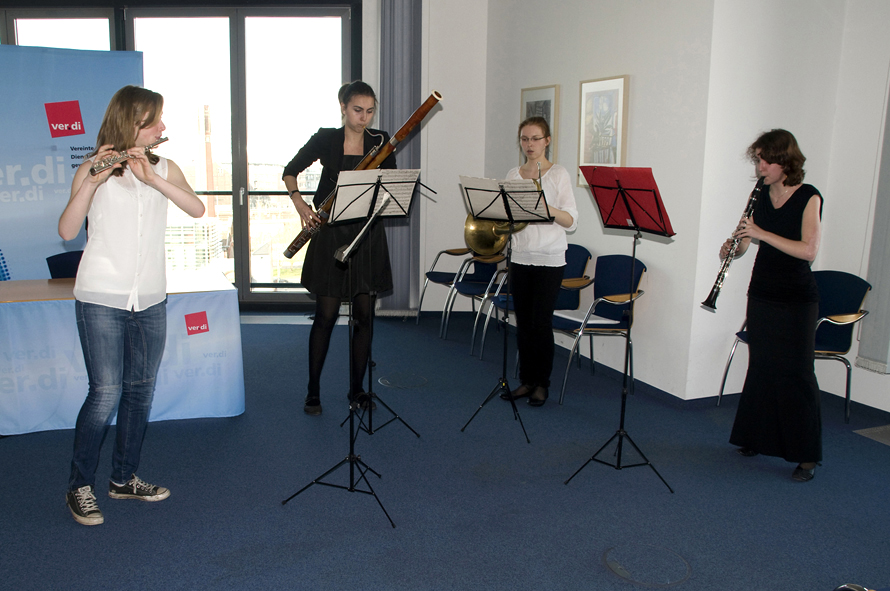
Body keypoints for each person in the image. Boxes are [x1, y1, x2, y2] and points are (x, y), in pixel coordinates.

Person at [59, 85, 205, 525]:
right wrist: (94, 180)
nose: (163, 128)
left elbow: (197, 209)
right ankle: (79, 486)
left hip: (150, 297)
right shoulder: (92, 166)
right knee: (105, 393)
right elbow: (68, 230)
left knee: (141, 391)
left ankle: (123, 479)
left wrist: (152, 178)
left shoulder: (166, 167)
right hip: (101, 295)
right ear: (134, 123)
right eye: (156, 121)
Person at [282, 81, 395, 416]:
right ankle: (313, 391)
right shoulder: (326, 138)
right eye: (358, 110)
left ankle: (357, 390)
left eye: (370, 110)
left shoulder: (379, 141)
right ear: (343, 108)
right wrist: (300, 205)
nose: (364, 117)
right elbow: (290, 172)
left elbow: (389, 186)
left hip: (367, 235)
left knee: (364, 318)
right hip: (330, 233)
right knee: (326, 317)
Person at [723, 128, 823, 482]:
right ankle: (753, 437)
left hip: (796, 297)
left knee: (796, 373)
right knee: (762, 366)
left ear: (784, 161)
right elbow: (747, 244)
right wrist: (733, 247)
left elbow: (808, 250)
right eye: (758, 161)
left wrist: (762, 233)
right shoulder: (760, 193)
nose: (760, 167)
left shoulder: (809, 196)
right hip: (762, 291)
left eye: (765, 161)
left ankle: (806, 455)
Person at [500, 116, 578, 407]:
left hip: (550, 258)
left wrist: (545, 207)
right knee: (523, 322)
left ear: (547, 141)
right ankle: (526, 380)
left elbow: (570, 221)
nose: (529, 145)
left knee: (541, 323)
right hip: (521, 256)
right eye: (524, 139)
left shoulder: (558, 174)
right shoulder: (514, 174)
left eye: (535, 139)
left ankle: (542, 383)